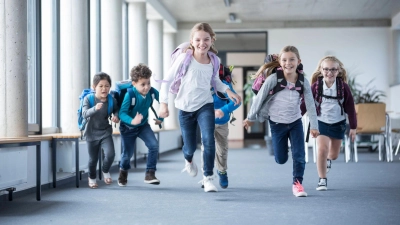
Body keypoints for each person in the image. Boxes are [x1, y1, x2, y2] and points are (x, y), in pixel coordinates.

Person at [158, 22, 242, 192]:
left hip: (205, 105)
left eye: (206, 39)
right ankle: (188, 160)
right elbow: (167, 80)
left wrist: (228, 91)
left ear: (212, 40)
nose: (202, 43)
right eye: (198, 39)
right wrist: (163, 103)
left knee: (208, 141)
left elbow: (216, 81)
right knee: (189, 147)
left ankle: (208, 177)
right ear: (191, 41)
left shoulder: (214, 60)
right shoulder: (184, 58)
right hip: (185, 107)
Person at [243, 46, 319, 197]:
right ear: (280, 61)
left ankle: (297, 184)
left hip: (295, 121)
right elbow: (259, 99)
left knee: (299, 155)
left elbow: (310, 104)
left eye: (292, 59)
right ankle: (285, 149)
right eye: (284, 60)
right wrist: (251, 118)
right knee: (281, 159)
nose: (288, 63)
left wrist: (314, 126)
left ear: (299, 61)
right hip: (277, 124)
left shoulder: (303, 81)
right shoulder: (273, 79)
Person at [301, 56, 357, 191]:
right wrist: (295, 118)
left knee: (333, 155)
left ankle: (328, 160)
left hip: (338, 123)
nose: (329, 73)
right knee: (322, 150)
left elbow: (350, 107)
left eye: (333, 70)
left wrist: (353, 127)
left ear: (338, 71)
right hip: (321, 122)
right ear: (321, 70)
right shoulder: (315, 86)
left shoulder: (343, 87)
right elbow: (305, 104)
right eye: (326, 69)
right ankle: (322, 180)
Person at [118, 63, 163, 187]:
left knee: (153, 145)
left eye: (148, 83)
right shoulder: (130, 95)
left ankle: (150, 174)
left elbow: (163, 103)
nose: (147, 87)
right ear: (134, 83)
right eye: (142, 84)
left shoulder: (152, 92)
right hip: (128, 128)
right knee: (127, 154)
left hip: (143, 126)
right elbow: (122, 113)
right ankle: (123, 173)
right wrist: (132, 121)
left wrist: (161, 118)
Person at [200, 66, 241, 189]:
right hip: (206, 122)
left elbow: (236, 102)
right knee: (206, 148)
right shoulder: (201, 85)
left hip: (222, 123)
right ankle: (206, 176)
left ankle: (222, 171)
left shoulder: (224, 85)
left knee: (222, 149)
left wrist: (223, 110)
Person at [82, 72, 120, 189]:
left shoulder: (111, 100)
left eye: (107, 85)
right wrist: (95, 108)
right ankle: (92, 178)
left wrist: (116, 116)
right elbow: (84, 114)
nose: (104, 88)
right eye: (101, 86)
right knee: (93, 159)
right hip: (91, 133)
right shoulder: (89, 99)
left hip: (105, 132)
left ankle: (105, 171)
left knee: (110, 154)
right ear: (94, 87)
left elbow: (116, 110)